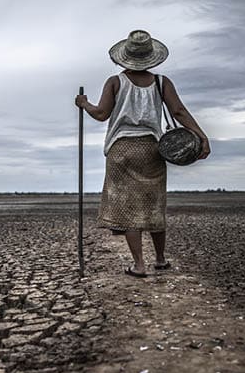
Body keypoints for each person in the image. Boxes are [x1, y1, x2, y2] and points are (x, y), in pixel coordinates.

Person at [75, 29, 210, 278]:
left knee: (128, 209)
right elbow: (178, 111)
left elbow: (101, 114)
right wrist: (201, 136)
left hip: (121, 150)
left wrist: (84, 105)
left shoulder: (115, 82)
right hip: (152, 149)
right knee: (154, 205)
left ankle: (139, 265)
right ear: (151, 57)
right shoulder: (161, 82)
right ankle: (160, 259)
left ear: (125, 56)